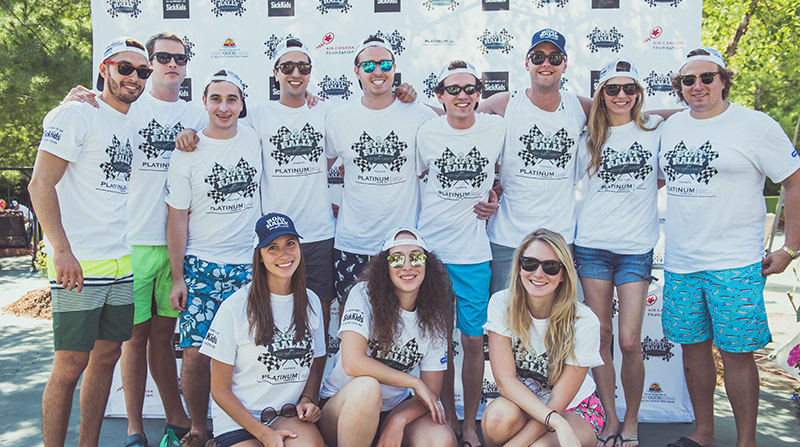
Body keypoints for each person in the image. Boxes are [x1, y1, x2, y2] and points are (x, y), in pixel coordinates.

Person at [60, 33, 208, 445]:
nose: (170, 64)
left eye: (180, 57)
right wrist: (72, 98)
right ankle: (134, 427)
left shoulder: (196, 113)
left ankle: (175, 420)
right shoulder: (122, 104)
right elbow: (67, 124)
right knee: (131, 340)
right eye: (160, 57)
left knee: (163, 337)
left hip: (178, 245)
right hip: (132, 242)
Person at [660, 47, 800, 447]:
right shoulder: (670, 128)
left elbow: (794, 179)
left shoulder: (755, 125)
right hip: (682, 263)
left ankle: (745, 441)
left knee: (737, 355)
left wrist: (791, 247)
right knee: (693, 351)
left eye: (707, 77)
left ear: (724, 80)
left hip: (735, 263)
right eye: (689, 80)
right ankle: (703, 433)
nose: (698, 86)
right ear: (680, 87)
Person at [28, 36, 150, 447]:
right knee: (70, 365)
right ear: (105, 69)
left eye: (142, 71)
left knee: (107, 358)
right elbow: (40, 184)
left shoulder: (130, 120)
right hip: (79, 261)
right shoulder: (77, 113)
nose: (134, 77)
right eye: (125, 68)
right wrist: (60, 249)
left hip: (120, 260)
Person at [165, 68, 262, 447]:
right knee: (194, 356)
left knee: (250, 353)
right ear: (203, 103)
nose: (224, 107)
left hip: (248, 266)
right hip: (201, 266)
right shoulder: (187, 151)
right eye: (216, 99)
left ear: (241, 104)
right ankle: (198, 428)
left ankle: (245, 426)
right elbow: (176, 218)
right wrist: (177, 277)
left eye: (232, 99)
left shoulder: (255, 138)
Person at [416, 60, 504, 447]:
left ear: (479, 94)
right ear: (440, 96)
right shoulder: (426, 133)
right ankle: (448, 416)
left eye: (471, 88)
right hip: (433, 254)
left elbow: (507, 175)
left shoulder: (496, 128)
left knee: (471, 342)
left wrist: (496, 196)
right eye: (453, 90)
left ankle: (470, 422)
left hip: (473, 253)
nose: (463, 95)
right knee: (440, 343)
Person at [573, 59, 662, 447]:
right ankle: (609, 419)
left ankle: (632, 421)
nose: (621, 96)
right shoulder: (587, 136)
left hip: (636, 250)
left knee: (629, 341)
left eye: (630, 89)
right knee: (601, 335)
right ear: (601, 95)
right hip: (592, 246)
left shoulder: (656, 130)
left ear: (639, 94)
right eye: (612, 89)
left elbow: (693, 114)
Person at [318, 227, 457, 447]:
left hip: (394, 407)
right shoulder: (363, 294)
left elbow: (431, 391)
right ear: (385, 266)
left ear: (427, 265)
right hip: (344, 406)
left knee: (441, 439)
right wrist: (414, 381)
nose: (408, 266)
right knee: (367, 388)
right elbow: (352, 363)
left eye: (417, 257)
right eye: (397, 259)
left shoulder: (435, 314)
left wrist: (397, 420)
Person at [479, 28, 591, 297]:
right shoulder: (504, 103)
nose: (546, 64)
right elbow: (457, 125)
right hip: (508, 239)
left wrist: (692, 112)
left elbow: (631, 116)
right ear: (526, 62)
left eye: (554, 58)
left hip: (560, 239)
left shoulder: (582, 107)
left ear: (565, 64)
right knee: (506, 324)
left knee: (558, 326)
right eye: (538, 56)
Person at [324, 36, 437, 303]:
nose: (378, 71)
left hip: (403, 246)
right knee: (349, 320)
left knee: (401, 324)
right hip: (352, 242)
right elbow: (315, 170)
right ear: (356, 71)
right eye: (369, 65)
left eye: (385, 64)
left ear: (394, 68)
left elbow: (456, 126)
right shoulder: (338, 119)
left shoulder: (420, 116)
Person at [199, 213, 326, 447]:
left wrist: (308, 398)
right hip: (239, 421)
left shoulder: (312, 302)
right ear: (259, 256)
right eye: (272, 248)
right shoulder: (234, 307)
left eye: (290, 244)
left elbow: (315, 364)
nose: (284, 254)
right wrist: (263, 433)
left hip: (286, 416)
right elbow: (219, 389)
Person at [481, 229, 605, 447]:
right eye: (529, 263)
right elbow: (505, 382)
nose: (538, 273)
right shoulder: (502, 303)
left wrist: (556, 422)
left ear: (564, 274)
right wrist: (555, 422)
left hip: (573, 408)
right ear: (519, 267)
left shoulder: (584, 321)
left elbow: (558, 402)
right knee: (496, 419)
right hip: (524, 403)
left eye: (550, 266)